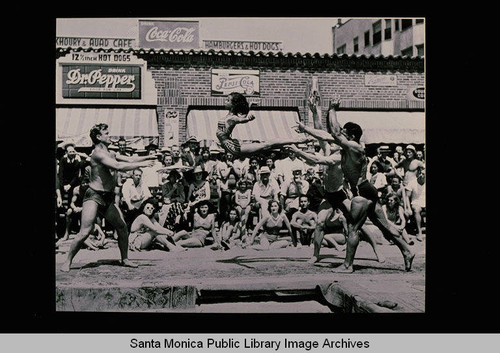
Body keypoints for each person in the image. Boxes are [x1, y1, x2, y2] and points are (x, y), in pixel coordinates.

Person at [297, 98, 414, 273]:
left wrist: (329, 112)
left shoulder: (355, 148)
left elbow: (335, 133)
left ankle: (347, 265)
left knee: (352, 227)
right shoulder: (347, 147)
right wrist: (323, 116)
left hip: (361, 192)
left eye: (344, 133)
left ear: (351, 137)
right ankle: (407, 250)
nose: (340, 134)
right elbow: (329, 134)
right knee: (384, 226)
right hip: (366, 190)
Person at [60, 123, 158, 272]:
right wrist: (145, 163)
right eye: (106, 133)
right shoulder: (97, 153)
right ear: (99, 137)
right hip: (93, 195)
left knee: (122, 227)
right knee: (85, 232)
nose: (109, 135)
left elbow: (129, 160)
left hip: (107, 198)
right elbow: (118, 166)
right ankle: (67, 261)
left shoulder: (109, 152)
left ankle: (125, 259)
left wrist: (148, 156)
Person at [216, 92, 309, 157]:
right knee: (267, 146)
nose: (225, 102)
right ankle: (293, 142)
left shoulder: (232, 118)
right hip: (232, 146)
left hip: (233, 148)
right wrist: (249, 106)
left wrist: (247, 119)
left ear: (233, 105)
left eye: (227, 100)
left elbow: (241, 119)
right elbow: (243, 116)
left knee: (267, 145)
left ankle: (297, 141)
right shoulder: (230, 116)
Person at [406, 169, 426, 241]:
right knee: (417, 210)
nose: (421, 175)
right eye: (420, 173)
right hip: (416, 202)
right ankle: (419, 232)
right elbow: (407, 196)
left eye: (423, 174)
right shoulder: (412, 183)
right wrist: (408, 208)